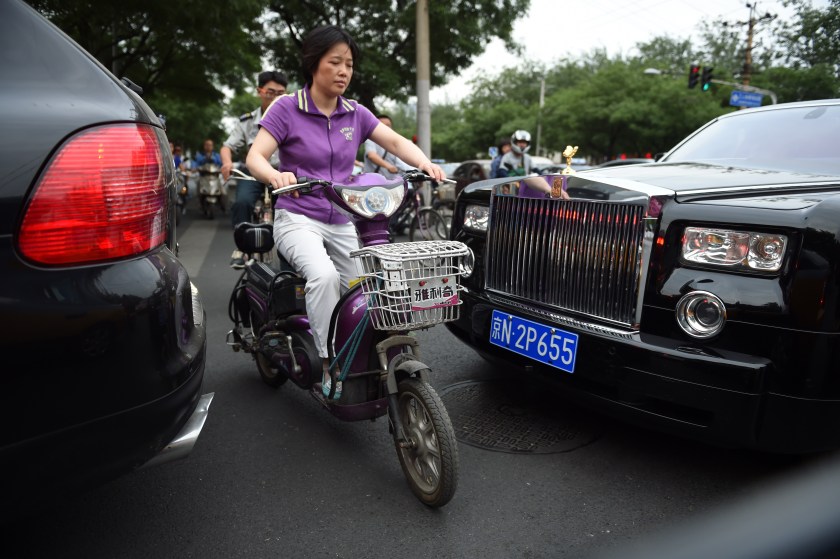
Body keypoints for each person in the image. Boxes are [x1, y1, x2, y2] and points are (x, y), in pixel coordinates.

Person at [246, 25, 445, 400]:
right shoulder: (287, 107)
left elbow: (396, 141)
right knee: (322, 277)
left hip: (342, 218)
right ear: (313, 64)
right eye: (335, 62)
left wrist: (427, 164)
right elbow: (255, 156)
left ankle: (366, 357)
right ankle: (327, 361)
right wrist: (274, 174)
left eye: (349, 64)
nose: (343, 71)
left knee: (365, 289)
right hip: (297, 216)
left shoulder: (355, 112)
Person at [222, 70, 288, 268]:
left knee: (292, 212)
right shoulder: (248, 120)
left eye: (281, 93)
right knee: (241, 203)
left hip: (283, 174)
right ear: (260, 91)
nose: (275, 97)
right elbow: (227, 146)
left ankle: (289, 257)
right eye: (270, 92)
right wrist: (226, 162)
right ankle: (242, 249)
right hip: (254, 174)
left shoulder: (293, 117)